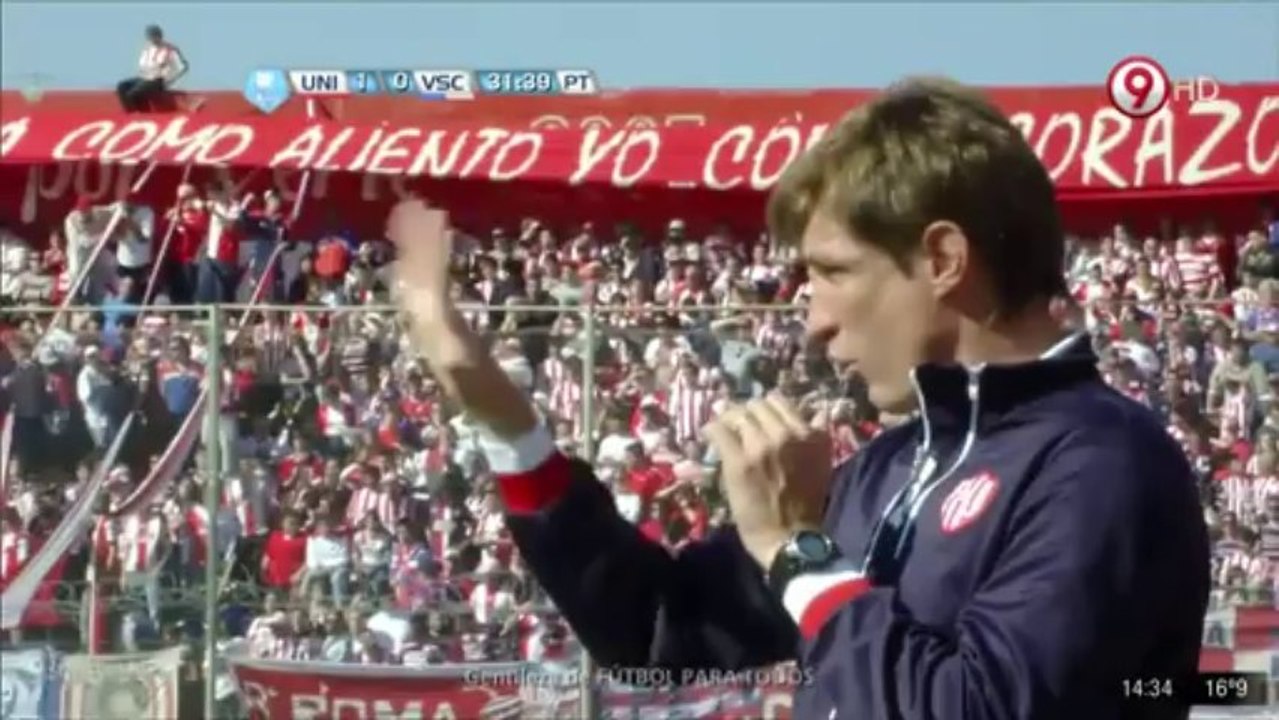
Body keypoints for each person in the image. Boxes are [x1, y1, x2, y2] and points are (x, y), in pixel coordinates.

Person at [391, 77, 1211, 719]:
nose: (813, 320)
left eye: (831, 272)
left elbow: (978, 707)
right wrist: (503, 419)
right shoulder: (887, 472)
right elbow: (654, 637)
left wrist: (798, 552)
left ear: (942, 259)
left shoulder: (1100, 465)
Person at [116, 25, 188, 113]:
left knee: (133, 94)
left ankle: (140, 114)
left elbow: (183, 67)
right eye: (150, 36)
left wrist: (170, 79)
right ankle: (130, 113)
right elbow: (143, 64)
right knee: (122, 86)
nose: (152, 39)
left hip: (157, 80)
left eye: (154, 36)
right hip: (143, 77)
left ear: (159, 36)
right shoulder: (147, 48)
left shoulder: (170, 49)